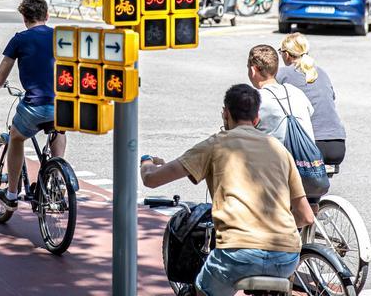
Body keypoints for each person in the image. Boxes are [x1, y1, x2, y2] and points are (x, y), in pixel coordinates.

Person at [140, 84, 314, 296]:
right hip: (286, 257)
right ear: (257, 117)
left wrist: (146, 161)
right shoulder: (278, 149)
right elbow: (306, 215)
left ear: (225, 113)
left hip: (236, 254)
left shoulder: (215, 145)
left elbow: (151, 179)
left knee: (201, 290)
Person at [0, 0, 58, 211]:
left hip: (35, 105)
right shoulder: (60, 37)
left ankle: (12, 194)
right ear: (47, 16)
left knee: (16, 137)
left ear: (25, 19)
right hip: (63, 104)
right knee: (59, 130)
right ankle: (55, 177)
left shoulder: (20, 39)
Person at [277, 33, 347, 166]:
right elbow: (330, 98)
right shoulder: (321, 72)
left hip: (308, 145)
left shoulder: (283, 73)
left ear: (286, 54)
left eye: (280, 52)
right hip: (337, 144)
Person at [247, 44, 314, 143]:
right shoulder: (296, 92)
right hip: (307, 156)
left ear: (253, 70)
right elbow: (310, 112)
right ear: (276, 69)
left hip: (278, 157)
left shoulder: (255, 99)